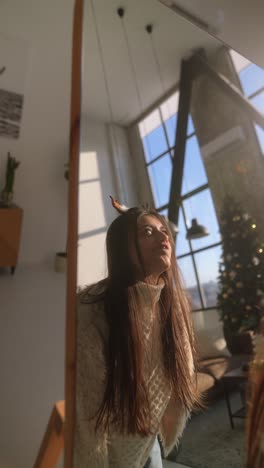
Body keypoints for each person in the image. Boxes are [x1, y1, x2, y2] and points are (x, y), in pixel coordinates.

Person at [73, 199, 201, 468]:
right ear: (123, 248)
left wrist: (143, 219)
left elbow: (181, 372)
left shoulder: (171, 304)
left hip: (148, 438)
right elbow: (89, 410)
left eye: (163, 230)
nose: (164, 236)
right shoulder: (92, 307)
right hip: (109, 450)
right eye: (148, 232)